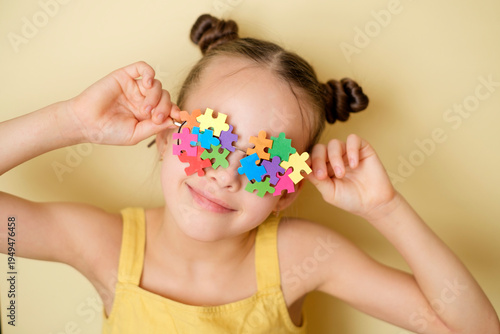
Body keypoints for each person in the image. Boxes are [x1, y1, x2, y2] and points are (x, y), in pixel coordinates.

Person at [0, 13, 498, 334]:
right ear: (166, 134)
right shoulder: (104, 244)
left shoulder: (301, 257)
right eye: (210, 140)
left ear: (288, 192)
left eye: (266, 162)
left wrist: (385, 210)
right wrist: (71, 121)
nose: (226, 176)